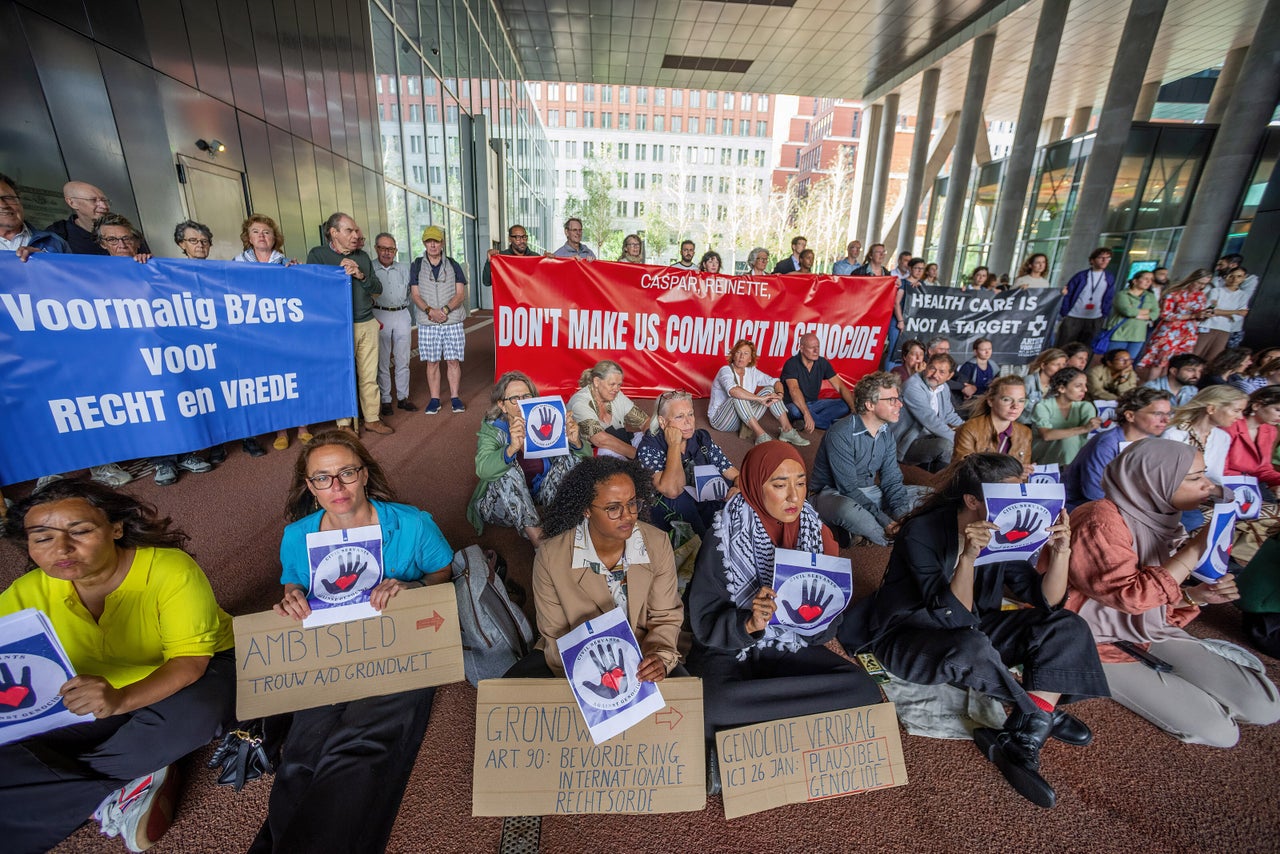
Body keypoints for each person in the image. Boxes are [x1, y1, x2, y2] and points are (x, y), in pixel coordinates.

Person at [0, 481, 235, 854]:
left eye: (80, 531)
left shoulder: (171, 569)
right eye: (42, 538)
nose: (61, 548)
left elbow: (190, 663)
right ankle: (131, 772)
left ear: (115, 528)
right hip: (92, 691)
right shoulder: (27, 590)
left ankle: (78, 783)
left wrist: (120, 700)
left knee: (202, 712)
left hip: (190, 675)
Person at [862, 453, 1105, 807]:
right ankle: (1039, 714)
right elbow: (953, 615)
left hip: (975, 625)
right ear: (972, 500)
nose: (1017, 503)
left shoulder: (1006, 527)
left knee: (1067, 625)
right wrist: (970, 556)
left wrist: (1061, 553)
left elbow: (1048, 601)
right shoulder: (923, 532)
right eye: (1004, 495)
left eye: (1019, 492)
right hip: (912, 633)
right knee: (971, 646)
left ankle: (1027, 730)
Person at [255, 431, 452, 853]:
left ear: (364, 474)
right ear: (310, 487)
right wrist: (291, 599)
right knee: (301, 757)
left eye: (346, 473)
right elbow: (293, 581)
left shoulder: (413, 523)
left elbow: (442, 578)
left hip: (400, 644)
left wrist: (409, 587)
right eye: (322, 478)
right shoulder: (297, 535)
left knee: (362, 746)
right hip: (330, 650)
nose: (337, 487)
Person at [1066, 439, 1280, 746]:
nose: (1207, 485)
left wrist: (1198, 597)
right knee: (1220, 732)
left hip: (1149, 628)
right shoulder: (1099, 520)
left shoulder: (1162, 517)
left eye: (1204, 474)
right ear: (1152, 481)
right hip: (1092, 641)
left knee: (1265, 707)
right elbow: (1130, 597)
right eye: (1194, 478)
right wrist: (1196, 548)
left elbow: (1155, 599)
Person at [687, 442, 882, 744]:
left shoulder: (817, 534)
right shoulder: (724, 536)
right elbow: (703, 619)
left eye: (801, 483)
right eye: (780, 485)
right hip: (729, 648)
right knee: (709, 705)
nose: (794, 496)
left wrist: (819, 617)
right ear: (754, 485)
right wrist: (749, 623)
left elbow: (822, 630)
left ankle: (744, 737)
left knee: (864, 689)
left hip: (789, 643)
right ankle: (794, 727)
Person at [517, 457, 684, 680]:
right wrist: (594, 677)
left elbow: (665, 617)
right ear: (586, 510)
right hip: (580, 657)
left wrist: (660, 659)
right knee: (505, 695)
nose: (628, 516)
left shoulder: (656, 543)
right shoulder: (550, 558)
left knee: (691, 705)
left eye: (633, 503)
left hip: (641, 651)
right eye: (613, 508)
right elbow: (556, 634)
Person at [467, 371, 588, 547]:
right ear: (502, 405)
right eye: (514, 399)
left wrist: (576, 442)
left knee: (568, 457)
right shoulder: (493, 429)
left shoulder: (547, 420)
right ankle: (539, 542)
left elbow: (584, 460)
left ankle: (568, 523)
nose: (522, 402)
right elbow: (483, 469)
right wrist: (510, 450)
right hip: (502, 505)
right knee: (507, 466)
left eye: (526, 396)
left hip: (539, 498)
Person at [810, 372, 928, 546]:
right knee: (847, 510)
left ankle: (862, 530)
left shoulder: (886, 432)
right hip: (833, 494)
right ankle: (894, 540)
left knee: (929, 495)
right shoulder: (840, 433)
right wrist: (886, 521)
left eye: (898, 398)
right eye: (892, 400)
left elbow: (892, 480)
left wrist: (901, 516)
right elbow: (848, 488)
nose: (900, 404)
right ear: (869, 405)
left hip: (869, 492)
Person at [306, 212, 392, 435]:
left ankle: (372, 418)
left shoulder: (362, 257)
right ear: (334, 233)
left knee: (369, 376)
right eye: (349, 231)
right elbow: (311, 287)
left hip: (366, 323)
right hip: (337, 327)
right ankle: (343, 424)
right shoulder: (318, 255)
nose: (355, 235)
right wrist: (335, 273)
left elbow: (377, 289)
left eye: (356, 231)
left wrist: (360, 275)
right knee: (342, 376)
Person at [234, 214, 305, 452]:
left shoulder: (286, 263)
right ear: (248, 237)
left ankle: (303, 427)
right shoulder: (236, 265)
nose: (262, 236)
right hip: (254, 334)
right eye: (256, 231)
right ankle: (281, 430)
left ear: (275, 238)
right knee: (273, 382)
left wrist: (297, 275)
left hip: (284, 333)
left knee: (294, 379)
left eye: (267, 231)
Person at [637, 390, 739, 537]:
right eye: (679, 416)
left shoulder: (700, 439)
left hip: (703, 503)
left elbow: (736, 474)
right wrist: (674, 445)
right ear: (662, 421)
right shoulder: (650, 447)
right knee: (680, 499)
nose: (688, 421)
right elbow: (672, 490)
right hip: (672, 514)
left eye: (690, 414)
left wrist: (739, 488)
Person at [1064, 387, 1174, 509]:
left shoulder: (1153, 443)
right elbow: (1094, 493)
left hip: (1125, 506)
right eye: (1158, 414)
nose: (1166, 420)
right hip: (1086, 508)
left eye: (1168, 414)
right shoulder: (1106, 445)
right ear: (1130, 416)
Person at [1163, 386, 1247, 529]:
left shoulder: (1222, 437)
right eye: (1236, 411)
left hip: (1202, 494)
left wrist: (1221, 492)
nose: (1240, 417)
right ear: (1211, 409)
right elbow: (1166, 480)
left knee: (1248, 514)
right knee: (1197, 521)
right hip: (1173, 497)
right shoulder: (1174, 435)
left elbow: (1214, 477)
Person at [409, 224, 468, 415]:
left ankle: (455, 397)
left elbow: (460, 294)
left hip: (452, 320)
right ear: (424, 243)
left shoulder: (453, 264)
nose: (432, 245)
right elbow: (415, 295)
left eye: (436, 241)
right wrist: (429, 311)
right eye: (429, 241)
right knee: (432, 362)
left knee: (453, 360)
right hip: (428, 322)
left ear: (442, 243)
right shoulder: (417, 265)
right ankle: (434, 399)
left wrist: (444, 309)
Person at [707, 338, 808, 445]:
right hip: (721, 420)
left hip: (743, 419)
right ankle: (761, 435)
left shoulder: (752, 371)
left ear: (750, 359)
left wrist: (780, 395)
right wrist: (759, 399)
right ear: (733, 355)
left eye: (745, 353)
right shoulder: (725, 370)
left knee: (770, 390)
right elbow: (733, 391)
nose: (741, 356)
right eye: (738, 352)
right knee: (738, 395)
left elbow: (776, 382)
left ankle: (787, 430)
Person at [947, 375, 1034, 479]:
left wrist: (1028, 472)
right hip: (974, 491)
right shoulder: (970, 429)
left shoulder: (1025, 433)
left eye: (1021, 400)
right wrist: (1010, 472)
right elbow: (964, 471)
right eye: (1007, 399)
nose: (1015, 406)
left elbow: (1022, 479)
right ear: (991, 401)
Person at [893, 352, 964, 471]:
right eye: (932, 369)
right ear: (926, 366)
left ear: (950, 376)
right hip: (906, 443)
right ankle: (940, 485)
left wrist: (969, 430)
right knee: (946, 446)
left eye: (942, 372)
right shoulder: (913, 386)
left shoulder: (943, 387)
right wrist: (961, 440)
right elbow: (930, 421)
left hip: (929, 438)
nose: (935, 375)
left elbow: (949, 415)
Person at [567, 360, 650, 459]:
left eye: (619, 385)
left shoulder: (616, 395)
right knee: (608, 453)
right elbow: (599, 440)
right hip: (593, 454)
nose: (617, 389)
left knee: (651, 438)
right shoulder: (579, 402)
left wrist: (652, 442)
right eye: (612, 384)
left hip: (622, 441)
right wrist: (638, 455)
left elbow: (645, 421)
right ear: (597, 382)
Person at [371, 233, 416, 415]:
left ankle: (403, 397)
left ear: (396, 251)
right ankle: (386, 399)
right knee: (382, 360)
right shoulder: (370, 268)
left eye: (391, 249)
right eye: (383, 248)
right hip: (379, 313)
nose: (387, 253)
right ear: (376, 249)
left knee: (403, 359)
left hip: (401, 314)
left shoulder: (405, 268)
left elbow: (410, 291)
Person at [1137, 269, 1212, 378]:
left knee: (1176, 364)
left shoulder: (1201, 296)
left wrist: (1203, 316)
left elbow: (1198, 315)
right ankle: (1151, 388)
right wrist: (1192, 316)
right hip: (1170, 331)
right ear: (1192, 279)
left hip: (1188, 333)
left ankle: (1165, 389)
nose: (1201, 286)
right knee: (1160, 361)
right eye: (1199, 282)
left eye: (1204, 284)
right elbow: (1165, 314)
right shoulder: (1174, 293)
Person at [45, 181, 150, 255]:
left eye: (104, 200)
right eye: (93, 200)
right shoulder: (58, 234)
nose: (104, 206)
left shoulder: (128, 232)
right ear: (72, 203)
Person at [780, 332, 857, 432]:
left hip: (815, 404)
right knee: (795, 411)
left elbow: (840, 386)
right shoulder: (791, 364)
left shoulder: (822, 362)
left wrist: (853, 409)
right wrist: (806, 413)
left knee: (845, 404)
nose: (816, 351)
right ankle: (831, 426)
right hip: (794, 404)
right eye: (812, 347)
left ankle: (805, 421)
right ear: (802, 348)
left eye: (818, 347)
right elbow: (794, 390)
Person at [1030, 367, 1100, 467]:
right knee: (1070, 439)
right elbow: (1046, 435)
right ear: (1061, 388)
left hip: (1078, 455)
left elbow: (1087, 439)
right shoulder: (1043, 406)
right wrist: (1084, 428)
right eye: (1078, 386)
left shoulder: (1085, 407)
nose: (1085, 389)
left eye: (1085, 385)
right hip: (1044, 455)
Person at [1225, 385, 1280, 495]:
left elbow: (1263, 469)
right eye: (1278, 410)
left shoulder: (1270, 430)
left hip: (1252, 485)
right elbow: (1219, 469)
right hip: (1226, 484)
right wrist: (1251, 483)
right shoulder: (1230, 426)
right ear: (1256, 405)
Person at [1057, 247, 1115, 348]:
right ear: (1092, 260)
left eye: (1108, 258)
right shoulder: (1081, 276)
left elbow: (1109, 297)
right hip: (1074, 316)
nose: (1104, 260)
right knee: (1064, 345)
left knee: (1087, 348)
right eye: (1101, 257)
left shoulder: (1109, 277)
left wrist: (1104, 314)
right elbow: (1068, 294)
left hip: (1095, 317)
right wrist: (1064, 312)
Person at [0, 172, 69, 257]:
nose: (3, 205)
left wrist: (46, 261)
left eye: (8, 198)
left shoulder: (55, 242)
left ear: (20, 201)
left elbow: (73, 269)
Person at [1194, 267, 1251, 363]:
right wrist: (1235, 311)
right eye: (1231, 276)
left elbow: (1241, 315)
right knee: (1196, 353)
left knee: (1213, 358)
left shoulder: (1243, 295)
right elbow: (1211, 310)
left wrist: (1221, 311)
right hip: (1208, 325)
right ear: (1226, 277)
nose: (1235, 279)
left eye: (1239, 276)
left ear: (1243, 278)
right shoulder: (1216, 291)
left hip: (1225, 329)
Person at [1105, 269, 1159, 360]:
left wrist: (1136, 313)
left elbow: (1155, 314)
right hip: (1120, 334)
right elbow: (1128, 312)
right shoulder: (1122, 294)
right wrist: (1147, 311)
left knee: (1129, 362)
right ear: (1135, 281)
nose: (1149, 281)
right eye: (1146, 278)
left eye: (1151, 279)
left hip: (1138, 335)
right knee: (1114, 360)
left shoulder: (1150, 296)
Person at [888, 257, 927, 365]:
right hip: (898, 322)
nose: (919, 271)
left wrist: (921, 289)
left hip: (913, 323)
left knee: (908, 353)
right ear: (910, 268)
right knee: (894, 352)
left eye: (922, 269)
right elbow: (896, 303)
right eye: (916, 268)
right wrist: (900, 321)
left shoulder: (923, 285)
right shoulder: (903, 283)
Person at [482, 223, 536, 288]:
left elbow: (545, 283)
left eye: (524, 237)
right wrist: (489, 262)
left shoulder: (535, 258)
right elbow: (487, 282)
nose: (522, 241)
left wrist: (549, 262)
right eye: (517, 237)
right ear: (510, 239)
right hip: (507, 298)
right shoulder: (501, 258)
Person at [1022, 348, 1068, 424]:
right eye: (1057, 364)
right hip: (1024, 426)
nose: (1061, 369)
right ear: (1043, 365)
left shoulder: (1058, 387)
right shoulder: (1028, 382)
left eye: (1063, 365)